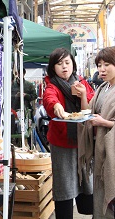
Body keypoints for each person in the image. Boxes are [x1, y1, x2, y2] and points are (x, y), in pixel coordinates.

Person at [42, 48, 94, 219]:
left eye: (67, 62)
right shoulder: (52, 85)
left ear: (73, 64)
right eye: (59, 63)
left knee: (87, 179)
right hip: (62, 143)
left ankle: (87, 208)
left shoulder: (82, 82)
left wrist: (84, 95)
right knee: (64, 184)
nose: (64, 67)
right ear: (53, 67)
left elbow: (92, 106)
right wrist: (56, 107)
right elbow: (50, 99)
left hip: (83, 140)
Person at [78, 46, 115, 218]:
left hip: (112, 150)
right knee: (101, 188)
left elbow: (99, 119)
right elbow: (88, 112)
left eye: (107, 64)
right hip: (100, 149)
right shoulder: (102, 88)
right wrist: (84, 94)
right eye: (99, 65)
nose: (102, 69)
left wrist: (103, 122)